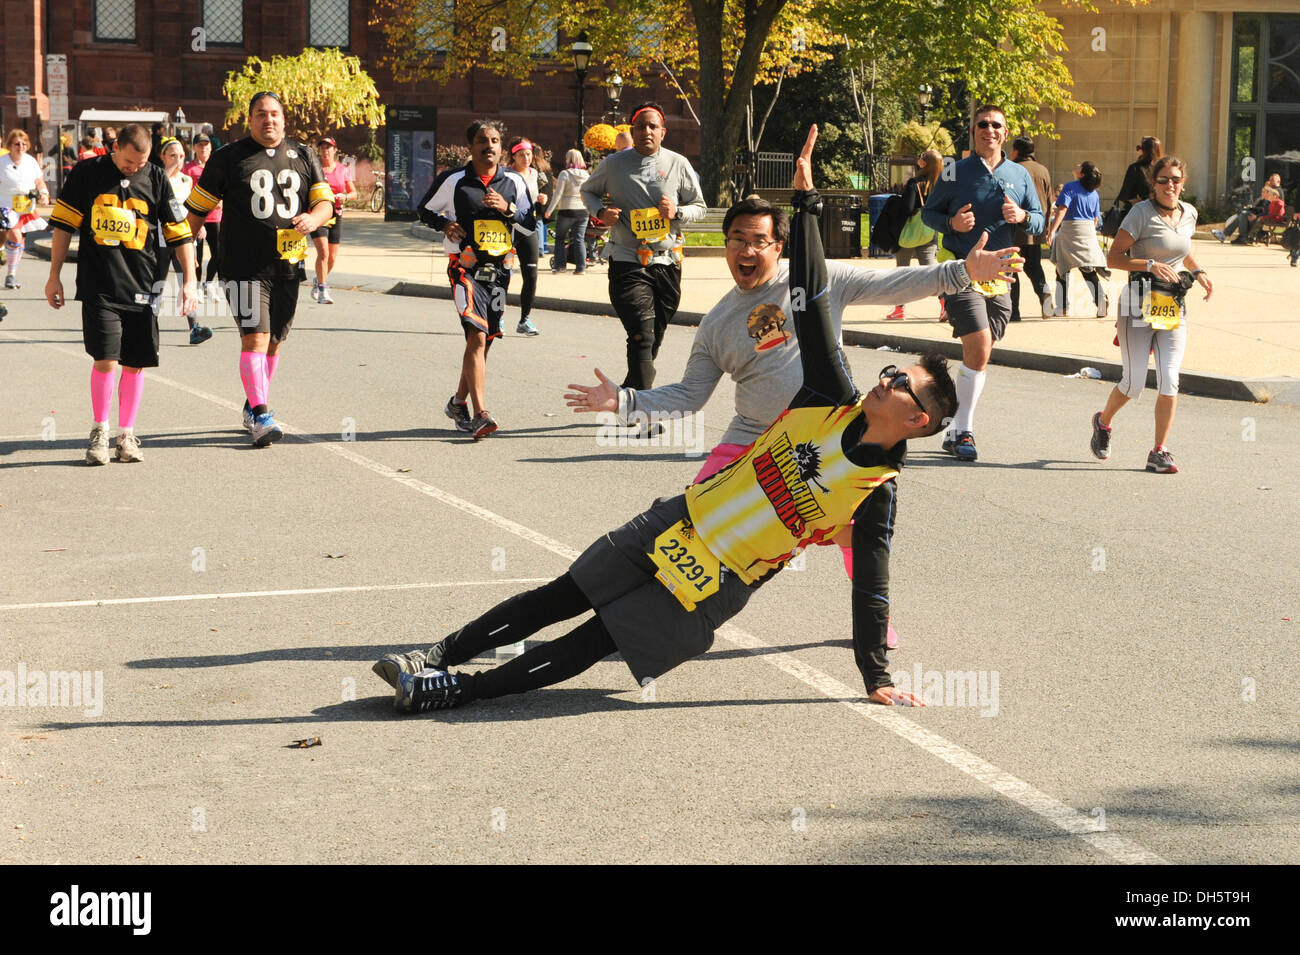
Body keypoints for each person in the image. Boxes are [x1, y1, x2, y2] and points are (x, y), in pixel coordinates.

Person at [371, 126, 990, 715]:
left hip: (721, 574)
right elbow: (795, 305)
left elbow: (872, 583)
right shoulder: (825, 394)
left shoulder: (876, 492)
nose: (884, 377)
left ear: (918, 420)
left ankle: (453, 691)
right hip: (689, 515)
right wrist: (804, 200)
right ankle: (433, 657)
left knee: (592, 641)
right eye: (736, 238)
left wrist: (876, 678)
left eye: (899, 380)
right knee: (565, 593)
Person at [564, 193, 1016, 648]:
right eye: (736, 239)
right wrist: (624, 402)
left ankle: (874, 623)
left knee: (858, 535)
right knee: (688, 527)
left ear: (779, 246)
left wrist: (962, 273)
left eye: (758, 240)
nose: (746, 250)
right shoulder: (718, 323)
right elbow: (688, 395)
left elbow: (893, 283)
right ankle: (629, 610)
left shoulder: (820, 284)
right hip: (750, 446)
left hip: (825, 444)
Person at [183, 91, 334, 448]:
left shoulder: (303, 155)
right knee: (256, 336)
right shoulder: (227, 158)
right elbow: (195, 214)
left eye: (275, 114)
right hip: (242, 267)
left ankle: (254, 404)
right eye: (261, 114)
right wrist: (180, 263)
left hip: (287, 266)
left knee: (275, 343)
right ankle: (262, 415)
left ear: (284, 119)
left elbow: (325, 203)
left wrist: (313, 218)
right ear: (249, 120)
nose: (269, 120)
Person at [44, 123, 197, 465]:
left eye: (140, 163)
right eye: (129, 162)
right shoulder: (87, 173)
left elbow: (180, 234)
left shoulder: (156, 177)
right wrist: (54, 275)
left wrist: (190, 280)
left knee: (135, 363)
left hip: (143, 284)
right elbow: (64, 227)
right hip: (100, 284)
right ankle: (100, 430)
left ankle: (126, 435)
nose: (134, 168)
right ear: (115, 148)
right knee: (106, 359)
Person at [920, 104, 1043, 462]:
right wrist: (952, 225)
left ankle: (955, 427)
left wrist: (1022, 216)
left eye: (996, 125)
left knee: (981, 354)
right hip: (962, 272)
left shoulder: (1020, 175)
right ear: (973, 132)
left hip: (1002, 275)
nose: (989, 130)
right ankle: (965, 432)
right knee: (980, 344)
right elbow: (929, 213)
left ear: (1005, 133)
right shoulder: (955, 172)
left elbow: (1038, 220)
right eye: (982, 125)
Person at [581, 103, 707, 422]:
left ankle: (629, 392)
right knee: (641, 333)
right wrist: (600, 213)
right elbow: (588, 191)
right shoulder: (613, 164)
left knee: (654, 335)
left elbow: (700, 207)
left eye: (653, 126)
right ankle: (640, 413)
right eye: (640, 126)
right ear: (631, 131)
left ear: (663, 132)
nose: (646, 131)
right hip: (627, 260)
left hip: (667, 262)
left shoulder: (678, 164)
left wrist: (676, 212)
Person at [1090, 156, 1212, 474]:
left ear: (1182, 182)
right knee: (1133, 384)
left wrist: (1197, 271)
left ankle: (1159, 451)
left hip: (1172, 305)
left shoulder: (1190, 214)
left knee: (1170, 379)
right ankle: (1103, 422)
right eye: (1163, 180)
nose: (1169, 185)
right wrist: (1148, 264)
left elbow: (1182, 249)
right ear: (1153, 184)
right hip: (1137, 305)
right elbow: (1113, 257)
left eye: (1175, 179)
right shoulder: (1141, 213)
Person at [417, 118, 532, 439]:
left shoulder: (515, 182)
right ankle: (481, 414)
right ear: (471, 147)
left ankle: (458, 403)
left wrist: (508, 209)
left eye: (494, 140)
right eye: (482, 140)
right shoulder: (453, 180)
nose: (489, 146)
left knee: (484, 340)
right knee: (477, 336)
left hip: (499, 271)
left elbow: (530, 223)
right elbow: (424, 209)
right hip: (464, 268)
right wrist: (444, 225)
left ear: (501, 147)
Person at [158, 137, 212, 343]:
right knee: (157, 283)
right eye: (172, 156)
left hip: (184, 239)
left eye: (181, 156)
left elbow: (190, 209)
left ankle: (194, 328)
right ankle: (145, 326)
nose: (178, 160)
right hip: (162, 240)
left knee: (188, 281)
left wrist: (200, 227)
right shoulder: (159, 178)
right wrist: (168, 169)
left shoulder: (186, 180)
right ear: (163, 157)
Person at [1044, 160, 1109, 318]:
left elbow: (1062, 209)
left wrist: (1052, 231)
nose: (1076, 165)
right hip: (1087, 231)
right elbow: (1095, 219)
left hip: (1070, 229)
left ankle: (1063, 307)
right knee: (1087, 269)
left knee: (1062, 268)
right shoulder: (1094, 193)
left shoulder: (1070, 187)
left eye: (1080, 165)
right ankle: (1100, 300)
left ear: (1082, 173)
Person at [885, 149, 943, 321]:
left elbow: (907, 209)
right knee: (931, 272)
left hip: (908, 234)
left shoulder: (914, 183)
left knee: (902, 272)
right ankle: (945, 305)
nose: (919, 158)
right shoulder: (941, 185)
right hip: (929, 232)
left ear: (924, 163)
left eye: (922, 157)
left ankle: (899, 309)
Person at [1008, 136, 1055, 321]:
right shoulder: (1043, 170)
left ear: (1016, 151)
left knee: (1011, 269)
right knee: (1034, 266)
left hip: (1015, 228)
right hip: (1035, 227)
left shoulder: (1012, 169)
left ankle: (1013, 312)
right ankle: (1045, 295)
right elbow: (1050, 201)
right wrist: (1047, 229)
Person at [309, 135, 357, 305]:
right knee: (323, 252)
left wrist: (344, 196)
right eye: (322, 147)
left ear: (335, 150)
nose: (325, 151)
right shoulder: (314, 168)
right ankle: (323, 289)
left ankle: (318, 280)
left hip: (336, 213)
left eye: (328, 148)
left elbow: (354, 193)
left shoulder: (343, 170)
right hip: (318, 213)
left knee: (332, 257)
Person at [1, 130, 51, 289]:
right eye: (17, 144)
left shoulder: (31, 162)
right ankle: (10, 273)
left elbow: (39, 181)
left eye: (24, 144)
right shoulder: (2, 162)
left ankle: (12, 274)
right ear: (10, 145)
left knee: (20, 239)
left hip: (26, 206)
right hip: (6, 205)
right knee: (15, 236)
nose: (21, 147)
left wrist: (44, 194)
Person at [506, 137, 546, 335]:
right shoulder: (505, 174)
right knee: (503, 273)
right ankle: (497, 317)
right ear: (513, 156)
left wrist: (542, 200)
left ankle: (525, 319)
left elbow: (533, 202)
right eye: (521, 154)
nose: (526, 158)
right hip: (508, 228)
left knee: (531, 275)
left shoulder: (535, 174)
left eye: (529, 154)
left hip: (528, 228)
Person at [183, 134, 223, 300]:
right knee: (197, 254)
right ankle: (197, 285)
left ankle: (209, 283)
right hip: (198, 217)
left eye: (206, 145)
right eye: (200, 145)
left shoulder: (217, 166)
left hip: (216, 217)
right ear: (194, 148)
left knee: (218, 253)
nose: (204, 148)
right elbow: (187, 193)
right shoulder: (189, 169)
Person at [546, 148, 590, 274]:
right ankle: (581, 268)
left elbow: (558, 194)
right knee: (579, 239)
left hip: (567, 210)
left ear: (569, 159)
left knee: (560, 238)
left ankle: (560, 266)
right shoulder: (586, 175)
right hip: (583, 210)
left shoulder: (564, 174)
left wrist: (550, 209)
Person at [1214, 173, 1283, 244]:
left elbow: (1270, 212)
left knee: (1243, 215)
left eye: (1272, 180)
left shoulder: (1276, 193)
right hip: (1262, 217)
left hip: (1264, 219)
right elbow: (1266, 210)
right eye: (1270, 180)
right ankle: (1234, 236)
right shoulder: (1273, 193)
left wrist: (1257, 215)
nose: (1270, 182)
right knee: (1243, 214)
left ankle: (1239, 237)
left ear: (1278, 181)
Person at [1115, 136, 1161, 213]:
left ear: (1143, 151)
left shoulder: (1135, 168)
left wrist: (1141, 199)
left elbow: (1124, 194)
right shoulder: (1162, 169)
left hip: (1138, 212)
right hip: (1158, 212)